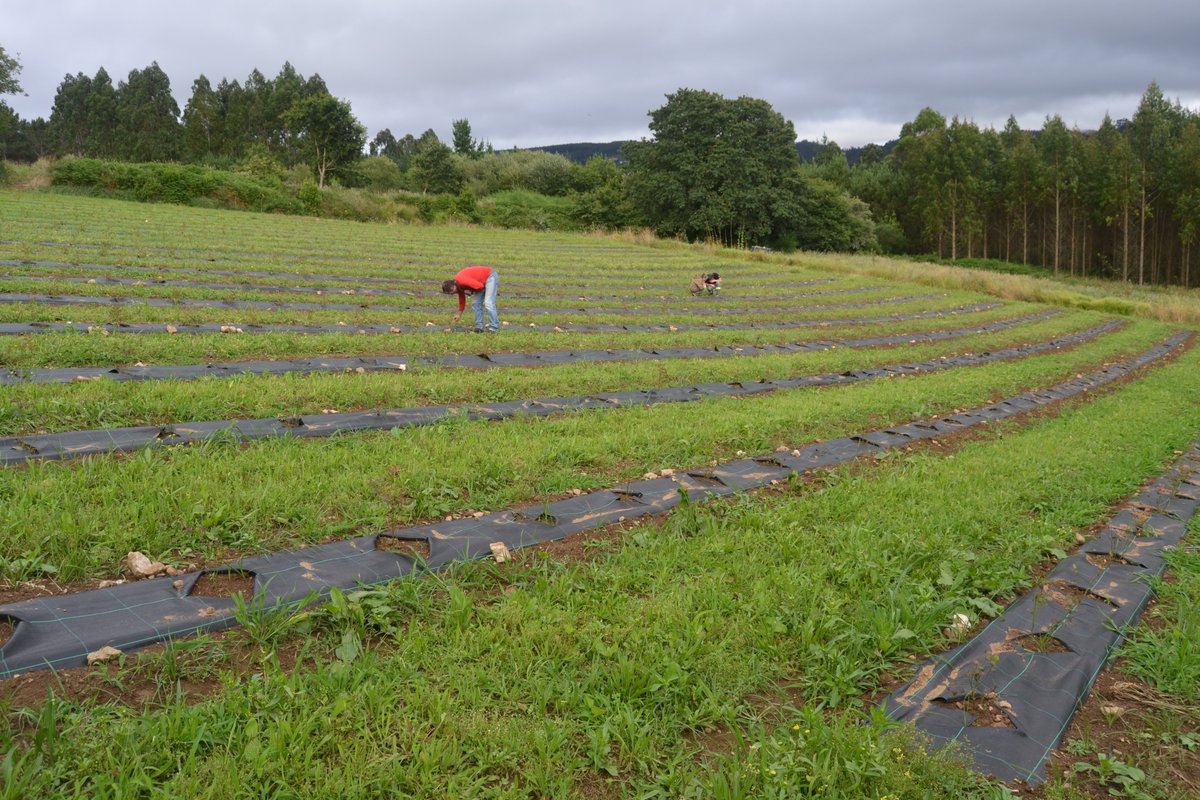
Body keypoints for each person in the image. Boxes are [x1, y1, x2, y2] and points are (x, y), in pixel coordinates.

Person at [442, 265, 500, 332]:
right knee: (475, 303)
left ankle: (494, 328)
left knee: (488, 303)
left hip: (489, 276)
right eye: (451, 292)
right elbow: (462, 300)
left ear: (453, 284)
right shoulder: (458, 286)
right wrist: (459, 314)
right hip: (480, 283)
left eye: (452, 289)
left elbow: (480, 286)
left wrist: (472, 292)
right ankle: (480, 327)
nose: (453, 292)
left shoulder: (461, 280)